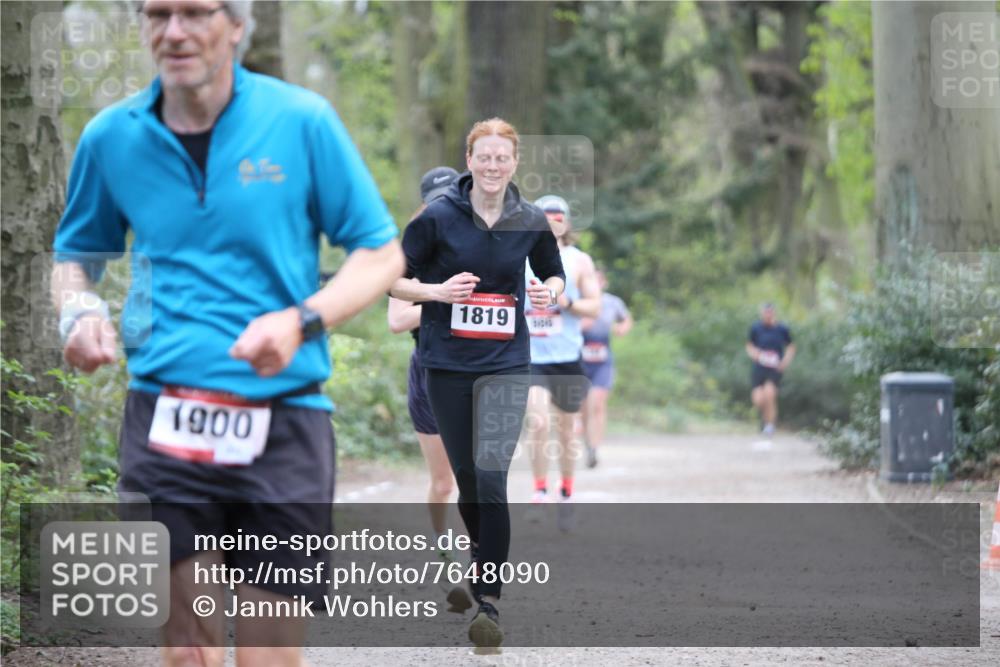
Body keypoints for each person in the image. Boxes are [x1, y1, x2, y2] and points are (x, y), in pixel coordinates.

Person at [51, 2, 404, 665]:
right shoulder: (111, 137)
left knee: (267, 659)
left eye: (194, 12)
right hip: (164, 418)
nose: (174, 31)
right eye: (158, 14)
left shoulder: (301, 121)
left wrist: (302, 321)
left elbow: (381, 253)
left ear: (237, 24)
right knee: (189, 649)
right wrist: (79, 313)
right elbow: (76, 255)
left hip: (285, 420)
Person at [389, 118, 565, 651]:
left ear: (514, 163)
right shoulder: (438, 216)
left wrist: (549, 294)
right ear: (470, 160)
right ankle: (479, 560)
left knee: (491, 478)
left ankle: (487, 599)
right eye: (483, 157)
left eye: (502, 158)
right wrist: (437, 293)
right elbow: (391, 279)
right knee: (466, 479)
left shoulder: (529, 218)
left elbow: (553, 273)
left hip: (507, 361)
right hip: (445, 364)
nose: (492, 166)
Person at [387, 165, 473, 613]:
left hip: (480, 369)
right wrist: (444, 300)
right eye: (436, 200)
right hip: (430, 370)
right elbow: (397, 319)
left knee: (479, 478)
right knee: (444, 482)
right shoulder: (410, 253)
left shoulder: (484, 243)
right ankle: (446, 562)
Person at [522, 195, 601, 528]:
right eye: (545, 216)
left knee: (567, 432)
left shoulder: (579, 261)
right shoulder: (520, 255)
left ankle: (566, 492)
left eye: (558, 217)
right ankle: (540, 490)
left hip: (567, 358)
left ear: (566, 223)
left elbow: (594, 307)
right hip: (531, 358)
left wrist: (567, 301)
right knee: (537, 421)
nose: (552, 222)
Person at [579, 270, 633, 467]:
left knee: (598, 403)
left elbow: (626, 319)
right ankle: (587, 443)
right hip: (580, 357)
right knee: (584, 407)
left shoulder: (612, 302)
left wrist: (622, 328)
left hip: (602, 358)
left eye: (598, 281)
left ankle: (595, 448)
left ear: (603, 283)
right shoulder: (577, 300)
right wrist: (582, 325)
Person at [745, 303, 796, 435]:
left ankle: (770, 425)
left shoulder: (782, 329)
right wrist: (754, 354)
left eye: (770, 312)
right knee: (758, 399)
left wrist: (785, 362)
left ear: (773, 313)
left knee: (770, 394)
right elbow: (749, 345)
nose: (767, 315)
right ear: (762, 314)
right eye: (765, 312)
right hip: (759, 367)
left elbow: (791, 346)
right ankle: (764, 419)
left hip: (774, 368)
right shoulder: (756, 328)